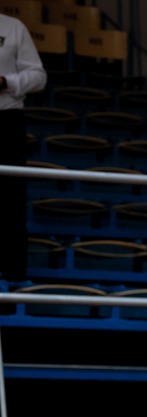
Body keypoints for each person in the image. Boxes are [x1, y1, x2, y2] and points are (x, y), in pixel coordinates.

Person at [0, 12, 45, 283]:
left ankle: (13, 276)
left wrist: (7, 81)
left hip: (6, 121)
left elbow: (38, 76)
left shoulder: (13, 27)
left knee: (11, 200)